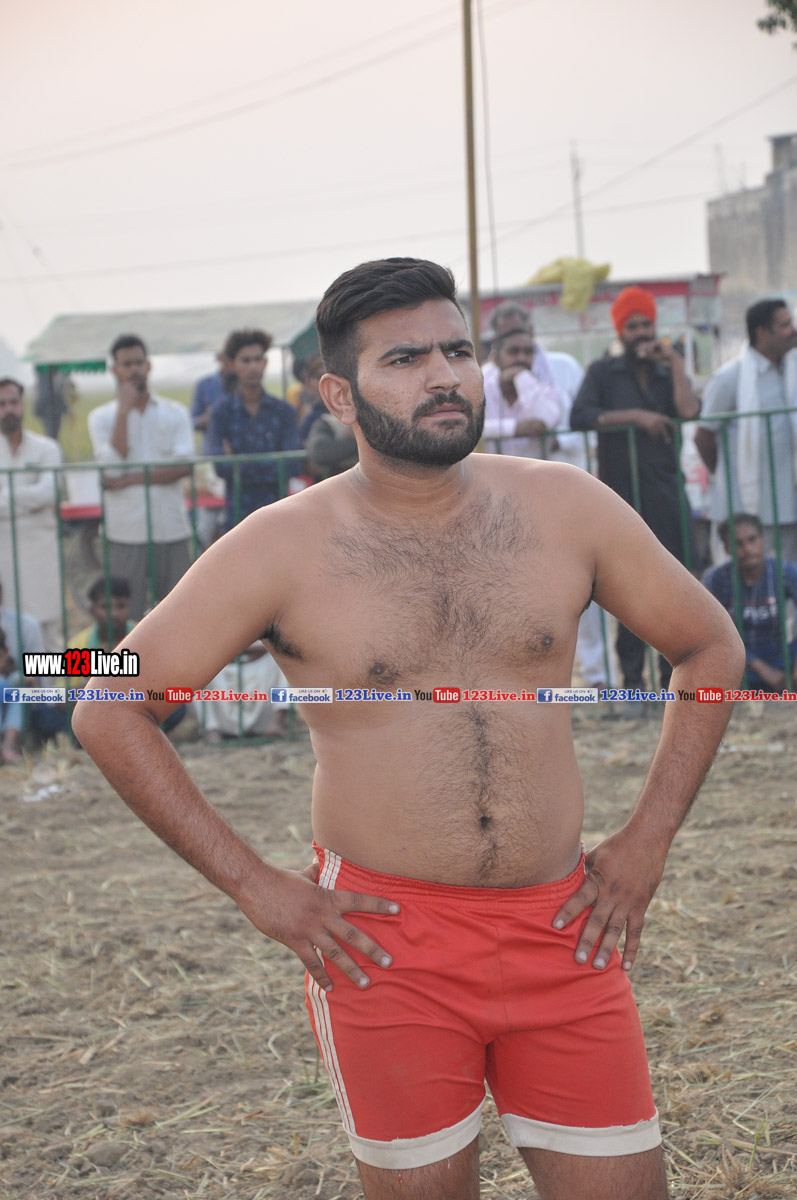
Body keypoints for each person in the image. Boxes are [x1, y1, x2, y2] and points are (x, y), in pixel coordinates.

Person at [74, 257, 744, 1200]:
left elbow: (709, 646)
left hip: (564, 929)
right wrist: (257, 888)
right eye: (404, 359)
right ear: (338, 395)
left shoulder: (566, 506)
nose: (444, 376)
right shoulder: (278, 544)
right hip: (383, 945)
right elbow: (103, 696)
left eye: (456, 351)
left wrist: (648, 839)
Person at [570, 286, 700, 701]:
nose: (642, 333)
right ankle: (632, 686)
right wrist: (637, 416)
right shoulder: (602, 372)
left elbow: (689, 411)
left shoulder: (665, 372)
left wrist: (675, 363)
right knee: (626, 590)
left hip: (666, 491)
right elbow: (581, 415)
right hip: (622, 497)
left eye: (647, 324)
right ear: (620, 331)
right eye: (633, 326)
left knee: (673, 588)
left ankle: (669, 683)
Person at [87, 336, 193, 622]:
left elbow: (183, 467)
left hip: (170, 527)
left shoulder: (174, 412)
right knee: (126, 615)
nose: (134, 369)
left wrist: (128, 481)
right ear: (115, 370)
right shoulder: (101, 417)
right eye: (127, 364)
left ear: (148, 365)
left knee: (178, 613)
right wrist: (123, 411)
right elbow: (111, 471)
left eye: (138, 362)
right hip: (125, 531)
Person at [694, 298, 797, 562]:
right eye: (785, 325)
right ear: (762, 333)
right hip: (745, 509)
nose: (792, 330)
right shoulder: (730, 378)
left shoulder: (792, 371)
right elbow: (703, 436)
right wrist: (727, 475)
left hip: (789, 507)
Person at [208, 329, 301, 531]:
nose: (253, 367)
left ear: (265, 363)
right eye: (246, 360)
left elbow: (293, 463)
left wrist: (238, 464)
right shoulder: (222, 412)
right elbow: (220, 467)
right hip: (237, 519)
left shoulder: (283, 411)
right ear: (232, 364)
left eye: (258, 359)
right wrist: (272, 462)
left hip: (278, 516)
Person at [0, 377, 63, 650]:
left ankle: (49, 682)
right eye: (2, 404)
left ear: (22, 404)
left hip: (40, 551)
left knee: (47, 634)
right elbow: (39, 495)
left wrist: (7, 496)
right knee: (11, 633)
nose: (9, 409)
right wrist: (29, 498)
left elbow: (50, 492)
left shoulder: (46, 448)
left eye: (13, 402)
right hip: (4, 552)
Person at [703, 512, 797, 691]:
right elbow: (713, 633)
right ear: (727, 549)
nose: (747, 549)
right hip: (738, 659)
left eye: (752, 540)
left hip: (779, 655)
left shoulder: (784, 571)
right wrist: (763, 669)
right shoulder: (716, 579)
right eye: (738, 543)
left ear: (763, 540)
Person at [482, 328, 563, 457]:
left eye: (528, 352)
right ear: (496, 359)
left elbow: (547, 421)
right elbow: (473, 428)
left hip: (534, 469)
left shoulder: (545, 389)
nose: (522, 358)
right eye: (513, 352)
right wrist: (515, 428)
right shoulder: (483, 390)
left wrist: (522, 378)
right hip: (492, 469)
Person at [191, 352, 235, 454]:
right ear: (220, 359)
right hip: (213, 452)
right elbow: (192, 422)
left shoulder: (247, 385)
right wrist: (205, 419)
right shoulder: (204, 385)